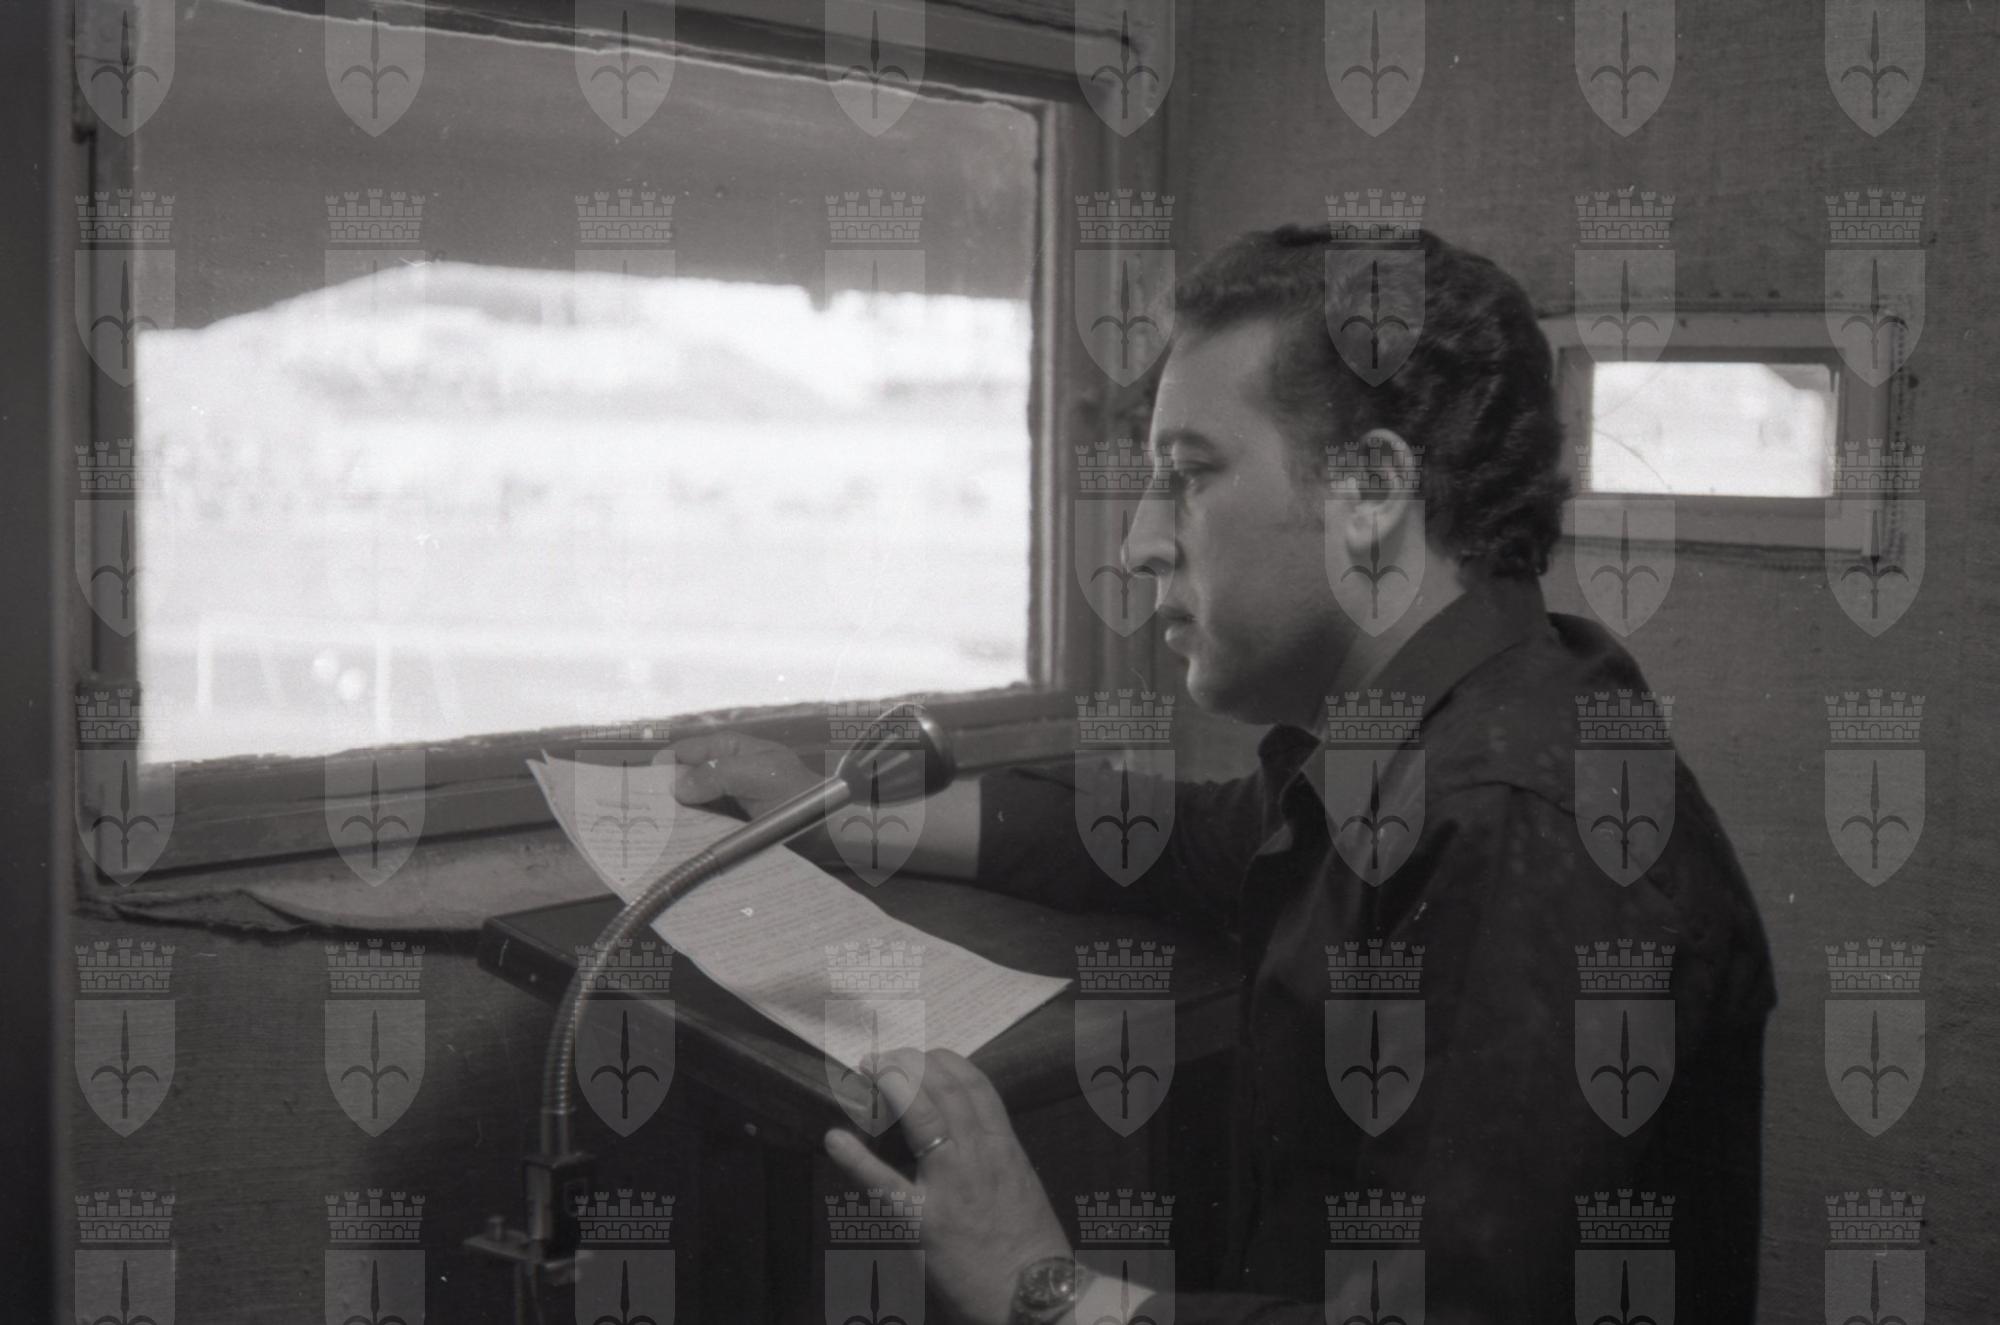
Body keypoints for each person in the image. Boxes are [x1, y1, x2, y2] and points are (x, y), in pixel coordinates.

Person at [670, 227, 1775, 1325]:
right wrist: (842, 814)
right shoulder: (1447, 722)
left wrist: (1037, 1286)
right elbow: (1185, 838)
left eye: (1189, 476)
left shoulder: (1510, 822)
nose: (1140, 542)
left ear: (1372, 489)